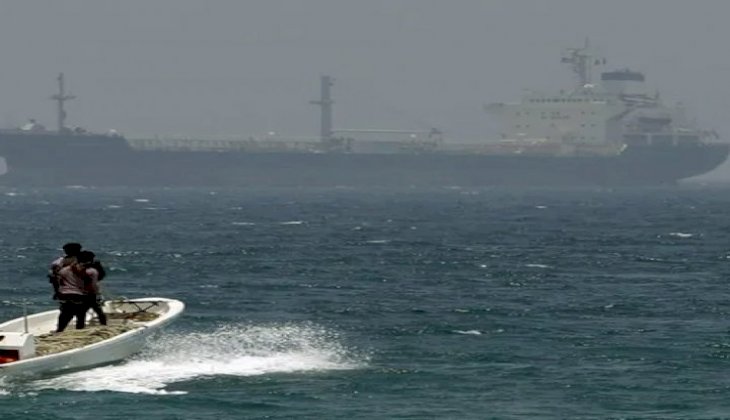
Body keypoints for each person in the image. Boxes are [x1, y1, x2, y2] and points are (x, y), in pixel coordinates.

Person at [55, 250, 100, 332]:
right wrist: (96, 294)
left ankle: (59, 330)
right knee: (81, 314)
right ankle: (79, 330)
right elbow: (93, 286)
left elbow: (59, 281)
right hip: (79, 295)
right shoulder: (91, 271)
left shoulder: (64, 270)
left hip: (64, 295)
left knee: (65, 314)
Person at [82, 251, 107, 326]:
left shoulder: (82, 268)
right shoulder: (93, 269)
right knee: (98, 310)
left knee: (83, 311)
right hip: (91, 293)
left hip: (85, 293)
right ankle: (103, 325)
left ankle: (80, 326)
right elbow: (99, 278)